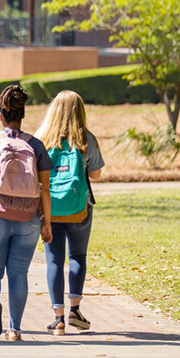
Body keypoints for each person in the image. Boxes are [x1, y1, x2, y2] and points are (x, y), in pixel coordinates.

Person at [0, 85, 53, 341]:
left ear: (0, 115)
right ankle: (14, 329)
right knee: (18, 273)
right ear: (23, 114)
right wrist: (46, 222)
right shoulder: (36, 145)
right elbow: (45, 188)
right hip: (28, 217)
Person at [34, 90, 103, 335]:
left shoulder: (42, 139)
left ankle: (58, 317)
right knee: (77, 257)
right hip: (79, 209)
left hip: (49, 210)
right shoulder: (86, 139)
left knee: (53, 260)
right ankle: (75, 310)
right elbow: (95, 174)